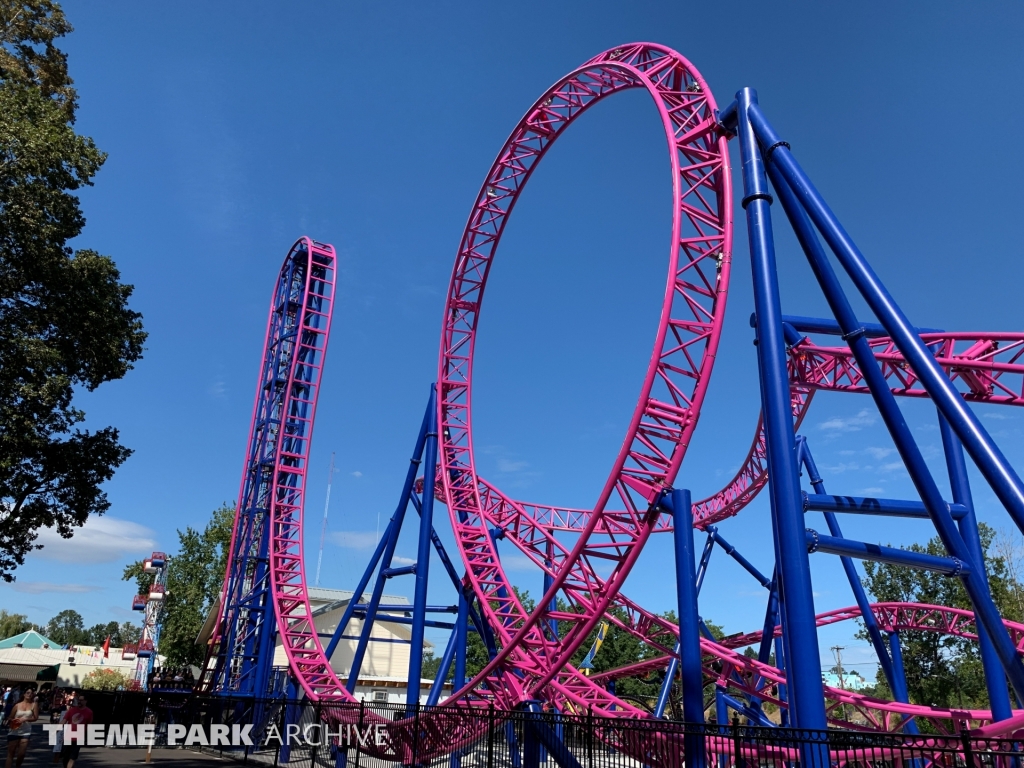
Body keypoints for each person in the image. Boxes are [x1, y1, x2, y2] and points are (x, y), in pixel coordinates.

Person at [5, 688, 38, 768]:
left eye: (31, 693)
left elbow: (35, 717)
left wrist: (26, 719)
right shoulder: (17, 705)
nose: (29, 694)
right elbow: (10, 717)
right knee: (11, 753)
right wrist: (14, 720)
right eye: (27, 692)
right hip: (14, 730)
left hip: (26, 731)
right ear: (24, 694)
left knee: (21, 754)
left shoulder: (34, 705)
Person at [58, 694, 92, 768]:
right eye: (78, 700)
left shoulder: (89, 712)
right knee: (65, 756)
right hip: (68, 736)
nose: (79, 701)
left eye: (81, 700)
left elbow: (89, 725)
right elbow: (64, 720)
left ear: (86, 701)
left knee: (73, 757)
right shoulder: (72, 710)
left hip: (79, 737)